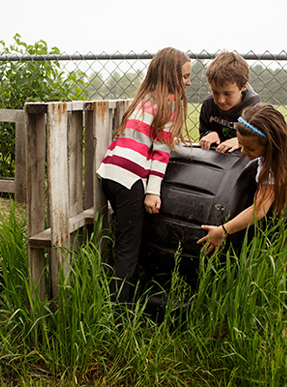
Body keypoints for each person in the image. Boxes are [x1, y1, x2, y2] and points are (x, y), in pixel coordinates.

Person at [197, 103, 287, 339]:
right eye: (242, 145)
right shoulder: (285, 135)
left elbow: (259, 210)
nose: (243, 152)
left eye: (250, 149)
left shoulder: (271, 168)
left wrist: (224, 230)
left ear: (270, 144)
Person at [97, 47, 192, 303]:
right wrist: (153, 190)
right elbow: (160, 151)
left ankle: (118, 298)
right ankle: (119, 312)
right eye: (184, 76)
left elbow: (143, 138)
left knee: (124, 238)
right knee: (129, 247)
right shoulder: (170, 102)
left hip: (109, 173)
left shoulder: (145, 98)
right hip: (130, 179)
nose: (188, 82)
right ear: (172, 76)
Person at [198, 50, 261, 153]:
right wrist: (209, 135)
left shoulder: (255, 108)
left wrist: (241, 142)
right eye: (215, 92)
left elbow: (262, 140)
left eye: (227, 94)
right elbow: (203, 133)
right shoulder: (208, 105)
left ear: (243, 86)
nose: (220, 100)